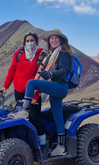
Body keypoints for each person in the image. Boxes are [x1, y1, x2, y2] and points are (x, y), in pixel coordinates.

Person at [10, 29, 73, 157]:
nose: (53, 40)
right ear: (49, 41)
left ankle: (25, 110)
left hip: (60, 86)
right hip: (56, 87)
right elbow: (42, 69)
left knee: (31, 83)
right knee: (58, 116)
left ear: (61, 40)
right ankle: (61, 147)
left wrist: (51, 74)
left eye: (56, 38)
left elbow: (64, 72)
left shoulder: (63, 53)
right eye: (51, 38)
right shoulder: (51, 54)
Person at [0, 32, 44, 105]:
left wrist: (36, 96)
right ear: (24, 43)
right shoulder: (18, 54)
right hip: (18, 90)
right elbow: (12, 70)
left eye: (32, 40)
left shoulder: (41, 56)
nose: (29, 43)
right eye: (27, 41)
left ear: (36, 42)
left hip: (33, 91)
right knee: (20, 113)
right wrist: (5, 86)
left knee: (34, 116)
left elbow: (41, 78)